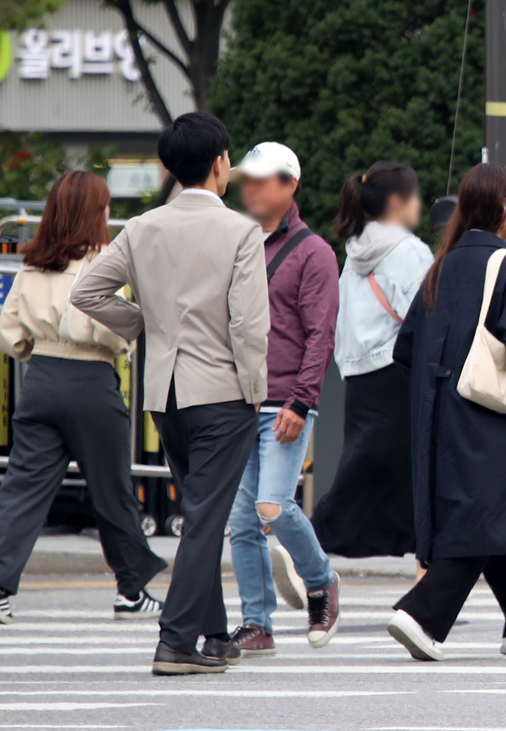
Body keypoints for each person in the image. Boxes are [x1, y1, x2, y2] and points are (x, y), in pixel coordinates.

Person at [71, 111, 269, 675]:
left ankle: (213, 633)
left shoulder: (142, 227)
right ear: (219, 164)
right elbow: (249, 325)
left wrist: (143, 326)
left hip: (165, 393)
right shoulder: (240, 231)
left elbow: (88, 292)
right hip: (223, 390)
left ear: (169, 167)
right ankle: (176, 641)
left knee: (199, 509)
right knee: (207, 518)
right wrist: (255, 391)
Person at [384, 163, 506, 661]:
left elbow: (405, 349)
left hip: (438, 411)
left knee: (491, 510)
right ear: (501, 208)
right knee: (486, 513)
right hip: (491, 414)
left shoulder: (442, 264)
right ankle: (423, 613)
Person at [0, 172, 168, 626]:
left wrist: (37, 354)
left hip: (40, 376)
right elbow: (119, 332)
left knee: (23, 487)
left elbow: (10, 332)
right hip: (91, 379)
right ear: (94, 213)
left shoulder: (33, 262)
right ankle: (131, 589)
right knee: (111, 488)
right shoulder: (107, 261)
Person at [224, 142, 341, 659]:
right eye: (247, 178)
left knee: (273, 506)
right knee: (242, 521)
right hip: (238, 401)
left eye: (264, 178)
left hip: (285, 402)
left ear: (291, 184)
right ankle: (257, 623)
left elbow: (321, 334)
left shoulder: (314, 252)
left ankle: (320, 580)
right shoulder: (238, 242)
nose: (251, 187)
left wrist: (302, 399)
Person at [312, 161, 430, 571]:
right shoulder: (410, 251)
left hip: (361, 379)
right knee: (416, 477)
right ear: (398, 202)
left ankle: (425, 589)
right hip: (400, 376)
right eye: (414, 196)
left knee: (369, 468)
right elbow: (426, 317)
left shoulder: (355, 252)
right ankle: (307, 543)